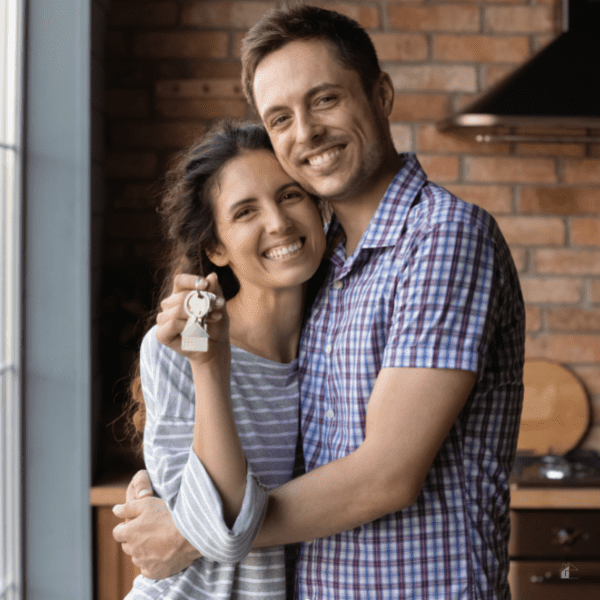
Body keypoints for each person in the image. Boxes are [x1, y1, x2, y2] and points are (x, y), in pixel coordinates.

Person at [113, 4, 525, 598]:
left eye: (325, 99)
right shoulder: (327, 267)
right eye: (280, 117)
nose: (305, 132)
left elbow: (386, 475)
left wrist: (195, 529)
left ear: (381, 94)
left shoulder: (441, 237)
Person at [120, 120, 327, 599]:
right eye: (245, 212)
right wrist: (210, 365)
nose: (277, 222)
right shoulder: (175, 349)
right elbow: (219, 530)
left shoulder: (341, 342)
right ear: (215, 247)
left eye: (291, 195)